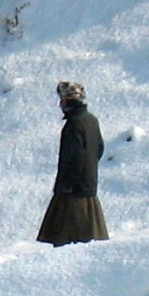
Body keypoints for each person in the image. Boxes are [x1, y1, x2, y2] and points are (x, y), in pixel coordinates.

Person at [38, 81, 109, 246]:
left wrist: (65, 187)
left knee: (64, 240)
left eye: (61, 99)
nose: (60, 104)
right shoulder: (91, 120)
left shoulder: (73, 125)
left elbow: (74, 158)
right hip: (89, 188)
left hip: (72, 193)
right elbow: (99, 148)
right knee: (90, 237)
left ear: (66, 101)